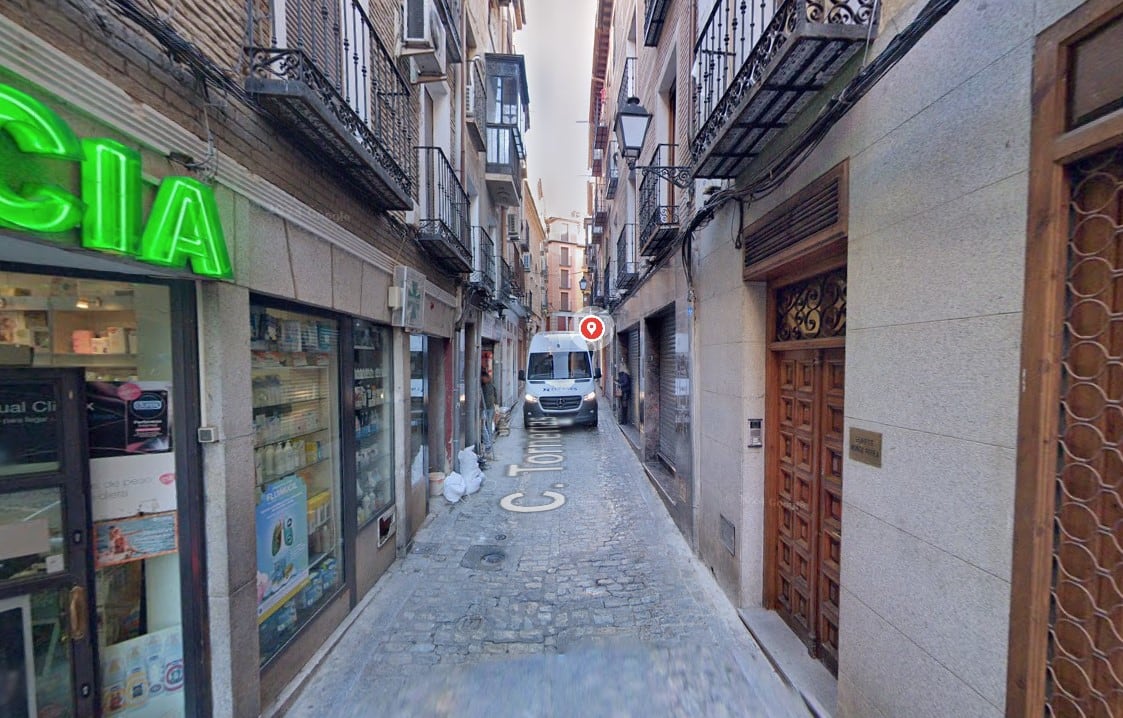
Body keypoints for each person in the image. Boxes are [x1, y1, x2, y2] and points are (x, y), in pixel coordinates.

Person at [480, 368, 498, 461]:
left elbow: (495, 395)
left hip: (489, 408)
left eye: (484, 377)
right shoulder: (482, 385)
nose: (483, 379)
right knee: (484, 427)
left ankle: (489, 443)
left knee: (487, 426)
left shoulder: (490, 385)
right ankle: (488, 444)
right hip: (483, 408)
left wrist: (496, 404)